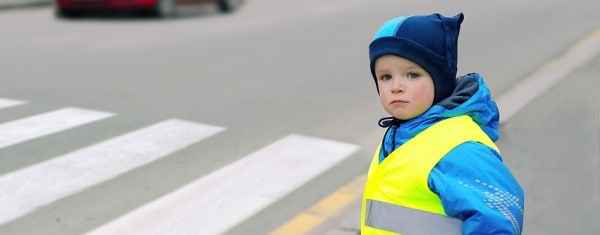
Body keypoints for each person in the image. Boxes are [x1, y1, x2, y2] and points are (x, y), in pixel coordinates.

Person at [360, 13, 525, 235]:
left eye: (412, 74)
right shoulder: (400, 134)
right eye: (385, 77)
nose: (396, 86)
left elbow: (498, 221)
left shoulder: (459, 148)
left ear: (440, 80)